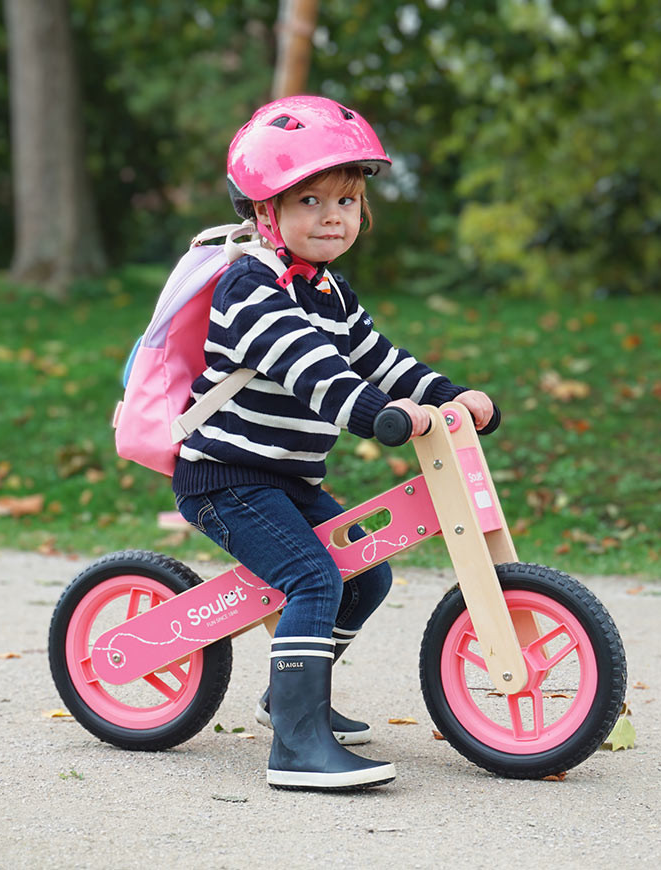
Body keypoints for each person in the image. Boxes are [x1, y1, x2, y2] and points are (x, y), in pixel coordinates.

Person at [174, 95, 494, 790]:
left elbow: (380, 356)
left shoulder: (328, 290)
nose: (331, 217)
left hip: (284, 479)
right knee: (314, 577)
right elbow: (313, 371)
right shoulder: (249, 287)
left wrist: (447, 395)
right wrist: (374, 414)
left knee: (367, 572)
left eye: (346, 203)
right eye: (310, 200)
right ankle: (296, 747)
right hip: (226, 478)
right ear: (266, 212)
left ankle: (293, 696)